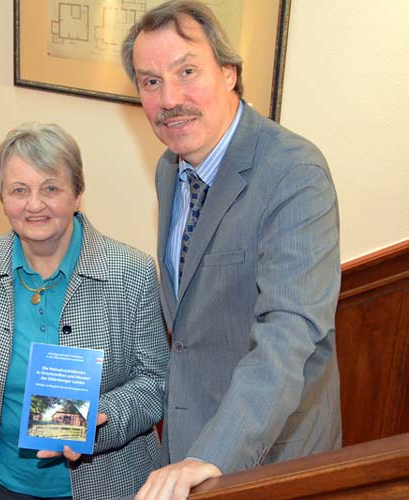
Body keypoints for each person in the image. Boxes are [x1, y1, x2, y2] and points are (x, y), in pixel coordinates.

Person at [120, 1, 342, 498]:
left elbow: (290, 332)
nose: (169, 97)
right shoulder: (169, 168)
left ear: (229, 73)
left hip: (271, 456)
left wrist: (212, 453)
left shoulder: (293, 173)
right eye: (150, 81)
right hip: (188, 445)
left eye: (187, 71)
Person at [0, 123, 169, 500]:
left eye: (51, 188)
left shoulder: (131, 272)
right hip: (0, 484)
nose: (35, 205)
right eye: (19, 190)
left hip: (107, 484)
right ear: (1, 198)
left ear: (78, 194)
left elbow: (156, 382)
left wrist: (99, 419)